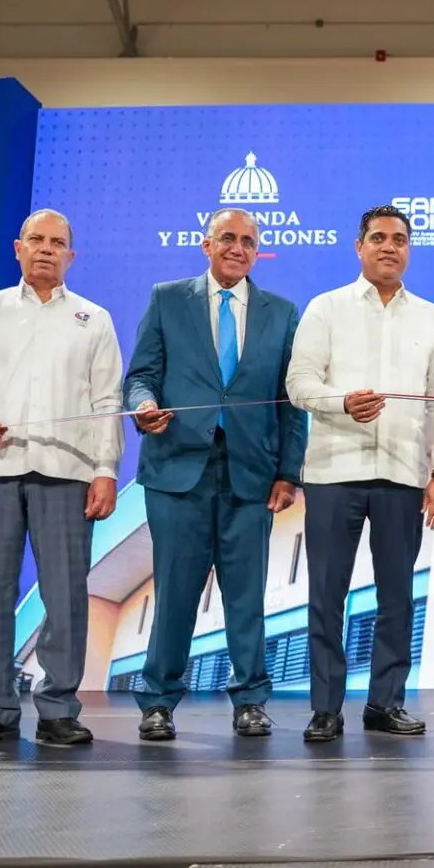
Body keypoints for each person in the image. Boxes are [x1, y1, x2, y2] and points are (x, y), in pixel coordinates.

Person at [0, 209, 123, 747]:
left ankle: (58, 709)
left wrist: (106, 470)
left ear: (72, 255)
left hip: (66, 472)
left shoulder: (94, 318)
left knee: (65, 593)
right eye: (36, 240)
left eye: (57, 242)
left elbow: (107, 401)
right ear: (18, 248)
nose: (46, 249)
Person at [124, 207, 308, 741]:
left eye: (248, 241)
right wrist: (143, 404)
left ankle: (250, 700)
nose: (237, 248)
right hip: (177, 468)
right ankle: (158, 702)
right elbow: (141, 375)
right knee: (176, 595)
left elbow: (291, 403)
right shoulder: (167, 299)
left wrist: (288, 472)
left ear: (257, 251)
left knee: (246, 597)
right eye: (228, 238)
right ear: (207, 245)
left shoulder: (281, 313)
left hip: (251, 474)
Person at [287, 205, 434, 743]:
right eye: (378, 238)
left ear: (409, 250)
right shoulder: (326, 308)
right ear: (359, 247)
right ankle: (325, 709)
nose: (389, 247)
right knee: (326, 595)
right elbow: (299, 383)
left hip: (403, 474)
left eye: (399, 239)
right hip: (334, 470)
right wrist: (341, 402)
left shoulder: (430, 317)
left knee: (397, 596)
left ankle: (386, 703)